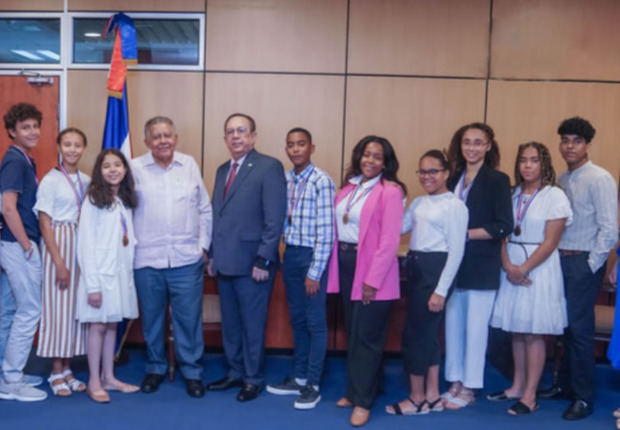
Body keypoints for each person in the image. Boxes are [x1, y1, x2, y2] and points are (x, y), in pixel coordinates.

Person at [538, 117, 618, 420]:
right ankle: (564, 385)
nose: (570, 146)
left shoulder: (600, 178)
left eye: (577, 141)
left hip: (583, 261)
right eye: (565, 140)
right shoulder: (563, 178)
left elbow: (609, 229)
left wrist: (590, 264)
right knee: (563, 327)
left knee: (580, 331)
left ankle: (584, 398)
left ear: (587, 145)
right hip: (559, 260)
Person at [207, 113, 286, 402]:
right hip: (225, 261)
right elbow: (218, 215)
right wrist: (213, 255)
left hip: (254, 264)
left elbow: (274, 219)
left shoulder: (268, 167)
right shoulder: (221, 170)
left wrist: (264, 259)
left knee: (252, 325)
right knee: (231, 325)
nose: (236, 136)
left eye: (242, 131)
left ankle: (252, 378)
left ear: (253, 136)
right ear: (225, 138)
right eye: (230, 132)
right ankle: (235, 372)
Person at [327, 135, 405, 427]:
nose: (370, 161)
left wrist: (372, 280)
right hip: (346, 265)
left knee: (368, 338)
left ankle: (363, 401)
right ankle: (354, 390)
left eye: (377, 157)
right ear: (358, 156)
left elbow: (389, 242)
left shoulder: (390, 191)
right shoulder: (348, 188)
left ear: (386, 163)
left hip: (373, 271)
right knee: (354, 332)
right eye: (367, 155)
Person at [488, 142, 572, 415]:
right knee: (517, 328)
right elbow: (502, 231)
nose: (527, 165)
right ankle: (516, 385)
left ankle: (529, 394)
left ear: (544, 164)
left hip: (539, 267)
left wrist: (523, 269)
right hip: (510, 263)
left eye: (534, 160)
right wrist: (508, 265)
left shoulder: (554, 196)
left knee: (534, 333)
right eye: (523, 160)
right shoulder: (511, 194)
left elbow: (550, 242)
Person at [132, 116, 212, 398]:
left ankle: (192, 371)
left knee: (188, 319)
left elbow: (204, 208)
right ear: (147, 142)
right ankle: (155, 367)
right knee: (152, 319)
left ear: (175, 138)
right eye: (157, 136)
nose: (163, 140)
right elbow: (123, 212)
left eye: (168, 135)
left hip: (186, 259)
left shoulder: (188, 164)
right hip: (147, 260)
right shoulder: (134, 168)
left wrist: (203, 246)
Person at [386, 150, 467, 416]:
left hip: (436, 271)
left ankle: (416, 398)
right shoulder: (420, 203)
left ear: (446, 173)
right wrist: (396, 198)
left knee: (415, 336)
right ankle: (432, 396)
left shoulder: (454, 205)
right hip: (417, 269)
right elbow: (398, 228)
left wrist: (441, 291)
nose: (427, 176)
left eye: (433, 171)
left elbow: (456, 252)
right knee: (428, 336)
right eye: (422, 171)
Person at [442, 122, 513, 409]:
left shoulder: (497, 179)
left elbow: (503, 225)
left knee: (475, 329)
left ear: (488, 146)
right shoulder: (453, 177)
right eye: (466, 142)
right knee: (453, 325)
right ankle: (455, 381)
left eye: (477, 142)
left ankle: (470, 385)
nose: (471, 147)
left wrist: (465, 235)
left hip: (482, 264)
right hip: (452, 265)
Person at [265, 127, 335, 409]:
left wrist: (315, 272)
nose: (295, 149)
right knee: (298, 320)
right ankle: (300, 377)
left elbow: (327, 232)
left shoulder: (321, 181)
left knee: (315, 323)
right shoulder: (285, 180)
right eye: (291, 145)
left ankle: (314, 384)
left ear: (312, 147)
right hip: (291, 255)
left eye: (301, 144)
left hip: (311, 257)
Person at [76, 149, 139, 403]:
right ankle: (93, 381)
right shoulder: (93, 200)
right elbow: (85, 244)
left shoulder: (123, 200)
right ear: (99, 172)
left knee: (112, 324)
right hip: (100, 277)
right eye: (107, 166)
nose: (113, 170)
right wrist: (92, 285)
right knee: (98, 326)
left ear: (125, 170)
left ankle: (109, 377)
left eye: (118, 165)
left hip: (119, 276)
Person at [35, 128, 90, 396]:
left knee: (73, 310)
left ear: (83, 149)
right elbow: (44, 221)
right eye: (67, 144)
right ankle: (55, 370)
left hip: (78, 243)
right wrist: (58, 262)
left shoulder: (86, 179)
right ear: (59, 146)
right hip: (58, 243)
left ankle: (68, 367)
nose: (72, 150)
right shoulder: (51, 180)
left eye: (77, 145)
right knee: (57, 308)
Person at [0, 103, 47, 402]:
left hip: (13, 244)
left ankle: (5, 373)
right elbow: (7, 207)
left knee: (8, 311)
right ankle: (12, 380)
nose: (32, 132)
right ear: (12, 132)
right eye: (25, 127)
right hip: (18, 244)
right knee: (30, 310)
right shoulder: (15, 161)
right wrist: (27, 246)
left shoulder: (23, 159)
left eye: (35, 126)